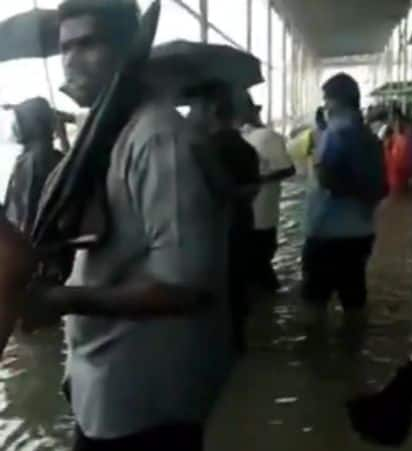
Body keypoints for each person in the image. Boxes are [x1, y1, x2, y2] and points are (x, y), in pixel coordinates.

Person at [22, 2, 233, 449]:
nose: (72, 59)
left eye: (88, 43)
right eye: (65, 47)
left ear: (127, 50)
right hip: (103, 385)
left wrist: (63, 299)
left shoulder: (157, 139)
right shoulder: (105, 133)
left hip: (146, 399)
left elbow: (185, 285)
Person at [302, 73, 386, 335]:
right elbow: (383, 187)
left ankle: (318, 365)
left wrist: (317, 164)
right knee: (354, 299)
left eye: (326, 99)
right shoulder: (371, 138)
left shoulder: (336, 132)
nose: (325, 105)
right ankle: (353, 355)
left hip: (327, 232)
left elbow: (328, 178)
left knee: (315, 304)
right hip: (360, 231)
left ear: (336, 101)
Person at [186, 82, 261, 355]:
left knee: (214, 289)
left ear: (212, 113)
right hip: (243, 225)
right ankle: (238, 344)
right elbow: (253, 190)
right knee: (238, 287)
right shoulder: (248, 149)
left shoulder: (201, 150)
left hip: (211, 230)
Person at [236, 92, 295, 292]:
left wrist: (257, 180)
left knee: (260, 268)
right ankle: (269, 313)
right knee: (253, 269)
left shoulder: (268, 137)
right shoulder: (241, 136)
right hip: (246, 216)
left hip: (262, 216)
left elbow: (288, 169)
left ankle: (271, 310)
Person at [4, 97, 63, 236]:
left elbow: (25, 213)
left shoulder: (33, 160)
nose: (15, 125)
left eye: (19, 119)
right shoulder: (50, 155)